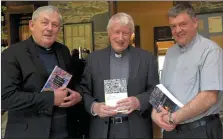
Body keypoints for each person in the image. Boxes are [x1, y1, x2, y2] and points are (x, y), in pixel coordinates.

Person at [1, 5, 82, 139]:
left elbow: (73, 81)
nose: (50, 28)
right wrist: (51, 98)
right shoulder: (12, 54)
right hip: (28, 133)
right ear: (32, 25)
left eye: (55, 25)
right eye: (44, 23)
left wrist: (78, 95)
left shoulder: (63, 51)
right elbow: (6, 98)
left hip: (64, 132)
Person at [80, 12, 159, 138]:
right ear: (109, 33)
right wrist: (94, 107)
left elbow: (155, 90)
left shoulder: (146, 58)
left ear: (131, 35)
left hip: (136, 130)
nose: (121, 38)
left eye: (125, 33)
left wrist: (138, 101)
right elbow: (83, 90)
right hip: (102, 130)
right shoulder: (94, 59)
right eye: (117, 32)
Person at [152, 3, 223, 139]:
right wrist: (155, 114)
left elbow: (209, 97)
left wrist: (173, 118)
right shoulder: (170, 53)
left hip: (201, 130)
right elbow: (163, 92)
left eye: (182, 24)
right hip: (172, 131)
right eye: (173, 26)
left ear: (195, 22)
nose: (178, 30)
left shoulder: (211, 51)